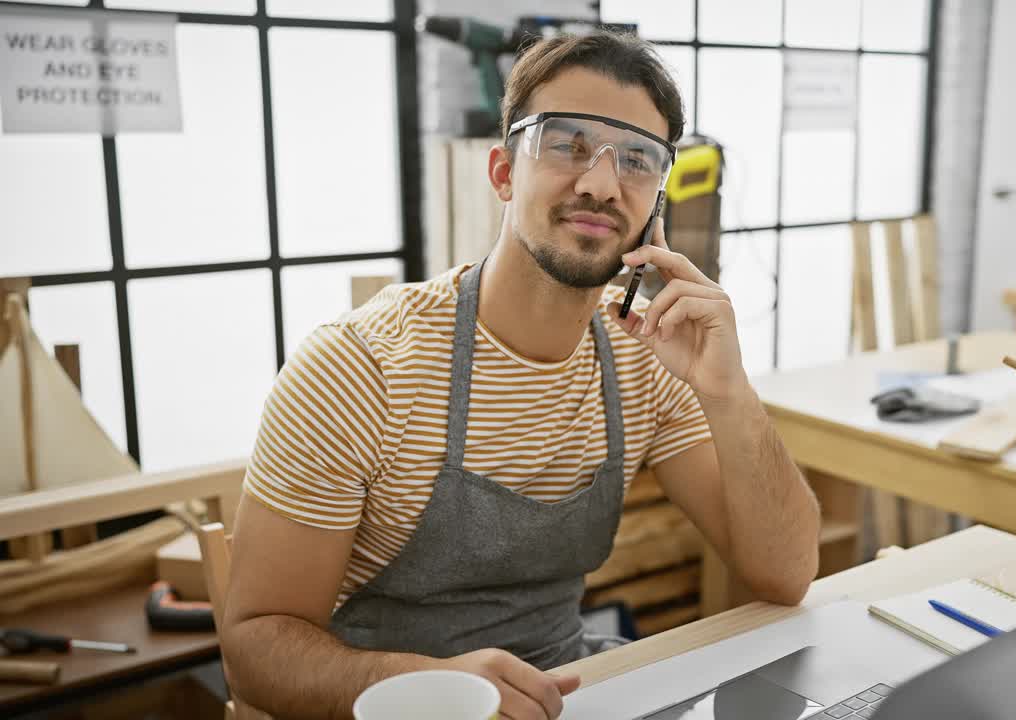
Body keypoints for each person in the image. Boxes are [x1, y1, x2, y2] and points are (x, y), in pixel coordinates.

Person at [220, 31, 821, 720]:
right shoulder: (360, 368)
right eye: (568, 144)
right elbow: (255, 648)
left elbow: (787, 575)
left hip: (569, 692)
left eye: (635, 160)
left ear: (657, 197)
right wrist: (437, 686)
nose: (600, 183)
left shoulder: (643, 356)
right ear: (504, 172)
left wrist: (730, 392)